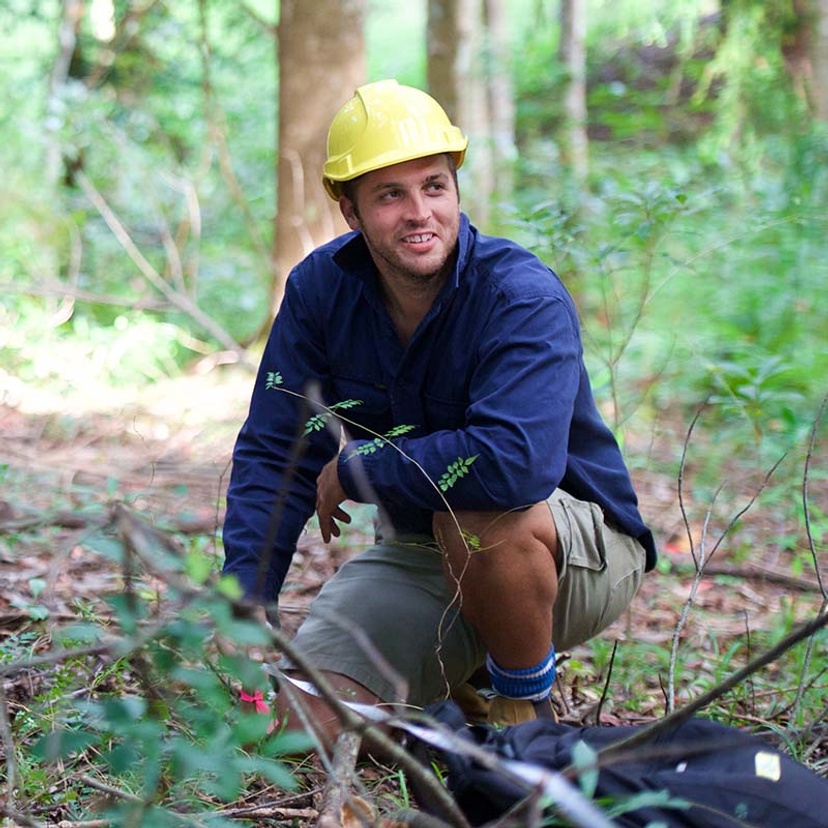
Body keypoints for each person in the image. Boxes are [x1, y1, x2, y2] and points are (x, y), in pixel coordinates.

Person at [221, 79, 657, 742]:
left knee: (478, 512)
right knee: (302, 727)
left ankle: (525, 713)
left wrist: (367, 465)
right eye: (390, 195)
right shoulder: (319, 293)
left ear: (455, 189)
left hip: (573, 551)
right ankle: (454, 689)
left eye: (433, 186)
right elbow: (274, 452)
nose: (419, 211)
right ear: (350, 211)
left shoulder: (520, 295)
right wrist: (244, 605)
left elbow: (512, 466)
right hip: (425, 554)